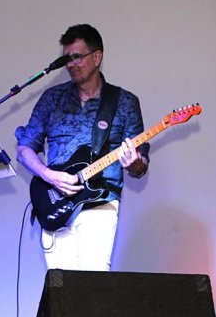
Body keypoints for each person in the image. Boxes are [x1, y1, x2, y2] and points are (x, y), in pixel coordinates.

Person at [15, 24, 149, 271]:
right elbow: (24, 149)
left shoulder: (124, 102)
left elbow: (140, 167)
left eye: (76, 57)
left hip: (100, 202)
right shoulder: (52, 98)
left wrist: (134, 163)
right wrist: (49, 175)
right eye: (66, 58)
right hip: (55, 201)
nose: (70, 64)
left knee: (92, 283)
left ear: (97, 57)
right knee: (60, 285)